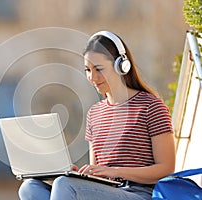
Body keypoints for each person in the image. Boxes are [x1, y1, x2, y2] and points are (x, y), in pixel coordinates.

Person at [18, 30, 176, 200]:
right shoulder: (95, 113)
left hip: (139, 194)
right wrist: (81, 175)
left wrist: (115, 171)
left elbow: (166, 168)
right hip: (105, 191)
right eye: (87, 70)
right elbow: (98, 173)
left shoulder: (150, 106)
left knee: (64, 184)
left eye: (99, 69)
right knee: (29, 188)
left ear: (121, 66)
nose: (92, 77)